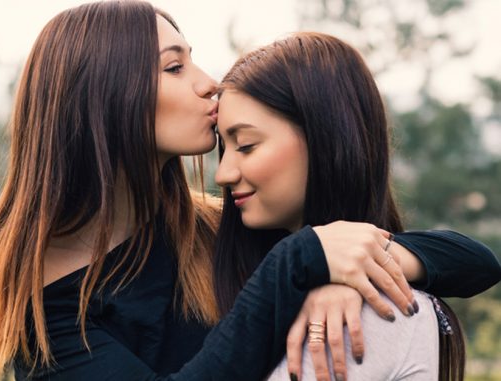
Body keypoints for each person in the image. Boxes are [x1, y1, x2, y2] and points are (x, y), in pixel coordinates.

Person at [0, 2, 501, 380]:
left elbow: (474, 262)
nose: (207, 81)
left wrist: (351, 276)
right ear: (104, 97)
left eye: (192, 57)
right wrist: (301, 259)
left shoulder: (213, 227)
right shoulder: (27, 291)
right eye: (174, 66)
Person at [214, 31, 500, 381]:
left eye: (245, 145)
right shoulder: (209, 250)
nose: (223, 174)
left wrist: (355, 268)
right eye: (222, 148)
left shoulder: (363, 320)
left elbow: (481, 262)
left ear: (323, 139)